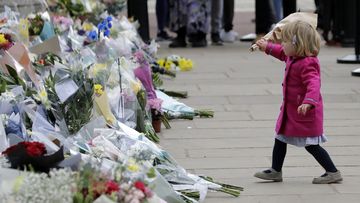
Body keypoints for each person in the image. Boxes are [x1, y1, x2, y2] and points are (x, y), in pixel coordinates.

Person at [253, 21, 343, 184]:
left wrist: (308, 102)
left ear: (297, 44)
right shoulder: (293, 56)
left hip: (305, 113)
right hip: (291, 111)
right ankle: (275, 170)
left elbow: (313, 84)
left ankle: (332, 171)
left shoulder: (307, 63)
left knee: (311, 145)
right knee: (280, 138)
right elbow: (281, 52)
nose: (282, 44)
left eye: (285, 41)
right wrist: (267, 46)